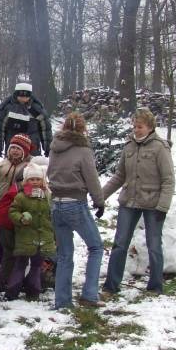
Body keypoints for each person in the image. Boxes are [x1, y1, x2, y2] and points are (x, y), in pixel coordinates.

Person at [102, 108, 175, 296]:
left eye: (140, 127)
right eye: (134, 126)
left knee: (154, 244)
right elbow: (119, 176)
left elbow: (168, 180)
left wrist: (163, 207)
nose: (136, 130)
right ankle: (111, 285)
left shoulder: (160, 147)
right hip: (129, 202)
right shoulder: (129, 146)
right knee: (119, 243)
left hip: (153, 204)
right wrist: (101, 197)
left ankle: (155, 286)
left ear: (150, 127)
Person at [47, 112, 105, 309]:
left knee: (64, 254)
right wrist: (99, 201)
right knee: (96, 247)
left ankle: (62, 300)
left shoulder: (55, 148)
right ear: (83, 129)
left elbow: (50, 172)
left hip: (56, 203)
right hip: (75, 203)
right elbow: (92, 178)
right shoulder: (83, 150)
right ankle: (90, 294)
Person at [5, 162, 55, 300]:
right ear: (26, 181)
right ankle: (12, 291)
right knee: (20, 264)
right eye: (31, 179)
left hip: (43, 238)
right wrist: (21, 218)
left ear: (42, 180)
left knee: (37, 266)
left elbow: (52, 214)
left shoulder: (47, 196)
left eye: (38, 179)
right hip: (25, 237)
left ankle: (33, 292)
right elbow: (12, 211)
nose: (35, 182)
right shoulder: (21, 196)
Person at [0, 133, 32, 293]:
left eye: (18, 149)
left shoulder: (28, 167)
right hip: (1, 207)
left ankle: (11, 275)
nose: (14, 151)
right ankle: (5, 268)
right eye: (12, 148)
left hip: (17, 209)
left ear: (25, 152)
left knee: (14, 245)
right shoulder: (2, 165)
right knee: (3, 244)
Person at [0, 82, 53, 157]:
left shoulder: (36, 108)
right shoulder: (7, 108)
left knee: (33, 164)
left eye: (27, 95)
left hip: (32, 148)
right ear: (16, 94)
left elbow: (46, 129)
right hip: (13, 148)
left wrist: (48, 148)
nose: (24, 98)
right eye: (21, 95)